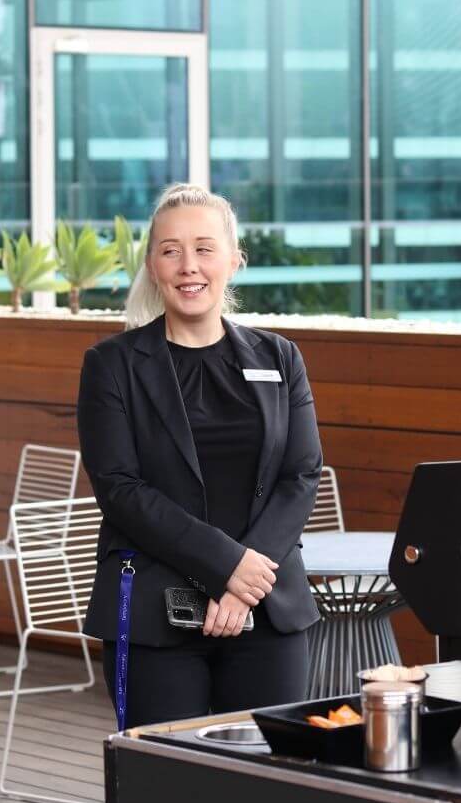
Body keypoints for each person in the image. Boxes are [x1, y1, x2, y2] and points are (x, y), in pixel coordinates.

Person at [78, 183, 322, 728]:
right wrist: (227, 567)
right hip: (153, 614)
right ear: (152, 265)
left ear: (234, 259)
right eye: (171, 251)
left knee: (272, 783)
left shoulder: (280, 357)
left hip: (268, 611)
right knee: (166, 784)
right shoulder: (112, 365)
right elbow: (120, 488)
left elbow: (301, 475)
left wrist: (245, 583)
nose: (189, 266)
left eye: (205, 248)